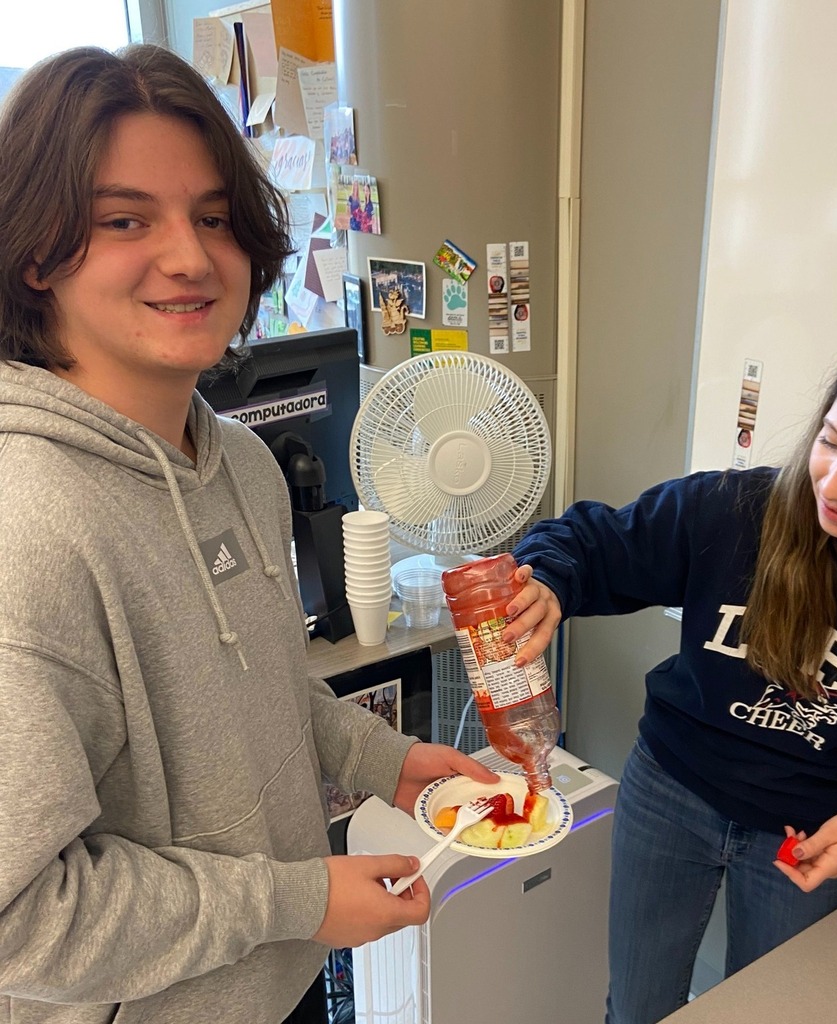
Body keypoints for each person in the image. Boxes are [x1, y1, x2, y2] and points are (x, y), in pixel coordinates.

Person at [0, 45, 496, 1024]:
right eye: (125, 219)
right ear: (34, 250)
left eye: (215, 217)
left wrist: (377, 758)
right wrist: (298, 897)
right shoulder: (29, 532)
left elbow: (258, 690)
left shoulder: (243, 465)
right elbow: (21, 918)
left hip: (280, 977)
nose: (189, 256)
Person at [505, 312, 837, 1024]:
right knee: (637, 1006)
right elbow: (591, 542)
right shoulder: (733, 513)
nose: (836, 484)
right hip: (671, 792)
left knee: (777, 1011)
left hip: (809, 833)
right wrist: (549, 580)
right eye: (831, 442)